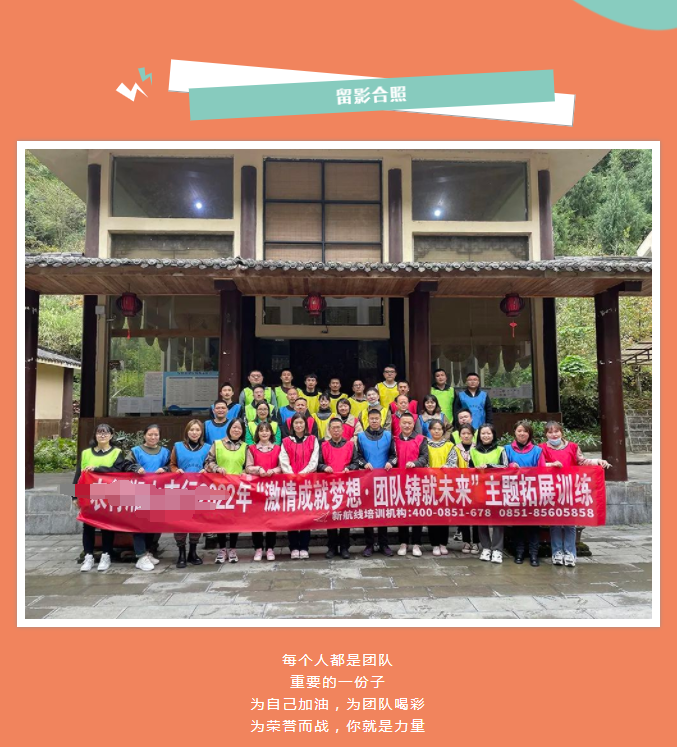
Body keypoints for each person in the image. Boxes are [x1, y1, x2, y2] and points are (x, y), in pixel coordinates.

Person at [540, 420, 610, 567]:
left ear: (561, 432)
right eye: (550, 432)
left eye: (556, 431)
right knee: (555, 523)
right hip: (552, 489)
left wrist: (597, 461)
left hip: (570, 488)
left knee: (570, 523)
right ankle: (557, 552)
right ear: (546, 434)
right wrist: (551, 464)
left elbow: (582, 461)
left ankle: (570, 553)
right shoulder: (542, 448)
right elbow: (538, 465)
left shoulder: (572, 447)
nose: (554, 435)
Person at [73, 424, 128, 572]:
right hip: (89, 495)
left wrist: (97, 469)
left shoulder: (117, 452)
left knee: (106, 525)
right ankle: (88, 556)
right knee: (88, 526)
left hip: (108, 495)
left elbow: (117, 471)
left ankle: (106, 555)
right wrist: (74, 495)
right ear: (95, 435)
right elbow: (78, 474)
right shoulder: (86, 453)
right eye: (99, 433)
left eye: (106, 433)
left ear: (111, 435)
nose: (102, 435)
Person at [205, 418, 248, 563]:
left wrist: (245, 473)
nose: (236, 430)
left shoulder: (245, 447)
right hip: (220, 487)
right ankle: (222, 549)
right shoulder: (217, 444)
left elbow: (247, 466)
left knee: (235, 520)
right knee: (221, 519)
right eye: (234, 427)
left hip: (237, 489)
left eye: (239, 428)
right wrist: (217, 468)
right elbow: (208, 462)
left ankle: (233, 549)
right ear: (229, 428)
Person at [355, 408, 397, 557]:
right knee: (368, 513)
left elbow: (394, 455)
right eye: (371, 419)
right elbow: (357, 457)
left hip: (384, 480)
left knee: (382, 513)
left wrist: (391, 462)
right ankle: (369, 544)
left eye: (376, 419)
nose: (374, 421)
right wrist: (364, 463)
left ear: (381, 420)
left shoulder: (388, 435)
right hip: (366, 480)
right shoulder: (361, 436)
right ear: (368, 419)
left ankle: (384, 544)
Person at [126, 424, 170, 566]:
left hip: (158, 493)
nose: (153, 437)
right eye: (150, 434)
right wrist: (136, 468)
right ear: (144, 435)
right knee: (139, 524)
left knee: (154, 523)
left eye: (156, 435)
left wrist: (165, 469)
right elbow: (125, 465)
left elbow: (172, 466)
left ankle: (149, 551)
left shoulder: (165, 452)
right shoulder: (135, 451)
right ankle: (140, 555)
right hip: (139, 492)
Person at [169, 419, 210, 568]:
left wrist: (206, 470)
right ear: (187, 431)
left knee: (196, 520)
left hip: (199, 489)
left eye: (197, 430)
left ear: (201, 432)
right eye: (192, 430)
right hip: (180, 489)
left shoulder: (207, 447)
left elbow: (209, 464)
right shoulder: (178, 446)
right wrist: (176, 470)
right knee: (180, 521)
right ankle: (181, 552)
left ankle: (193, 551)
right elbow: (172, 464)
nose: (194, 433)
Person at [504, 420, 546, 567]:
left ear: (529, 434)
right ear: (514, 432)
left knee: (534, 525)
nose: (522, 433)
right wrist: (510, 466)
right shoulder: (507, 449)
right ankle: (519, 552)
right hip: (514, 491)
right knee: (518, 525)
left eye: (525, 431)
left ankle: (534, 554)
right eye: (519, 431)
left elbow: (542, 471)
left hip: (532, 492)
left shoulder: (537, 451)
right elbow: (501, 468)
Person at [279, 414, 320, 559]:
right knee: (292, 515)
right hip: (290, 483)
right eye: (296, 423)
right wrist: (292, 475)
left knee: (305, 515)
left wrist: (302, 474)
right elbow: (283, 460)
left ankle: (304, 546)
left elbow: (314, 460)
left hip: (307, 482)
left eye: (301, 423)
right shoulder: (285, 441)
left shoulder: (313, 440)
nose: (299, 425)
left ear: (305, 425)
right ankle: (294, 547)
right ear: (292, 426)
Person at [318, 418, 360, 559]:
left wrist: (350, 468)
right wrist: (324, 467)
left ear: (343, 430)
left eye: (338, 427)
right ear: (329, 430)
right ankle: (332, 547)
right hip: (329, 487)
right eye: (333, 428)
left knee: (344, 518)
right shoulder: (324, 445)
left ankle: (344, 547)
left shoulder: (350, 445)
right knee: (330, 517)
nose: (336, 430)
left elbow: (356, 463)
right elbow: (318, 464)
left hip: (346, 486)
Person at [471, 423, 508, 564]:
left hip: (496, 489)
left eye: (489, 433)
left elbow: (505, 467)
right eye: (483, 433)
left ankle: (497, 549)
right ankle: (486, 547)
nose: (486, 436)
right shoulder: (473, 451)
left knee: (498, 519)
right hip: (479, 489)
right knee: (482, 519)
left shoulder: (500, 450)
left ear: (493, 435)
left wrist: (489, 467)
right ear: (479, 436)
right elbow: (469, 470)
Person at [246, 422, 282, 561]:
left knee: (272, 519)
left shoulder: (278, 448)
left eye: (267, 430)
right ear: (257, 433)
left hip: (273, 488)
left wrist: (273, 470)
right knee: (256, 519)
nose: (264, 433)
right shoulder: (251, 448)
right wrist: (258, 469)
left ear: (271, 433)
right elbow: (248, 467)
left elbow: (281, 466)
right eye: (261, 430)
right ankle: (258, 548)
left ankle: (270, 548)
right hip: (256, 489)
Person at [395, 412, 429, 557]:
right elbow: (392, 457)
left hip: (416, 481)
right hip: (399, 482)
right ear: (399, 424)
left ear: (414, 424)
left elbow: (425, 457)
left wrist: (415, 463)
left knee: (416, 512)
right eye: (404, 423)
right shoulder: (394, 440)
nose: (407, 425)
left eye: (410, 423)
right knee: (402, 513)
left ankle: (416, 543)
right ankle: (403, 542)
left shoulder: (421, 439)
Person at [425, 419, 456, 556]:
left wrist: (447, 467)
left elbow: (453, 462)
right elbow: (423, 460)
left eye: (439, 429)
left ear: (443, 431)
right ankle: (434, 544)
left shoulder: (449, 445)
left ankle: (443, 543)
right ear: (429, 430)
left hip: (445, 484)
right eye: (434, 429)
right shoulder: (425, 444)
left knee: (444, 515)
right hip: (430, 484)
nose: (437, 431)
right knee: (432, 515)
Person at [451, 425, 480, 555]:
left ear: (473, 435)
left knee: (476, 514)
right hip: (461, 485)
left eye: (469, 433)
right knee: (464, 514)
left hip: (476, 485)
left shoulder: (477, 448)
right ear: (460, 435)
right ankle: (466, 541)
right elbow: (451, 464)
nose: (466, 436)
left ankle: (476, 542)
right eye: (463, 433)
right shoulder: (455, 448)